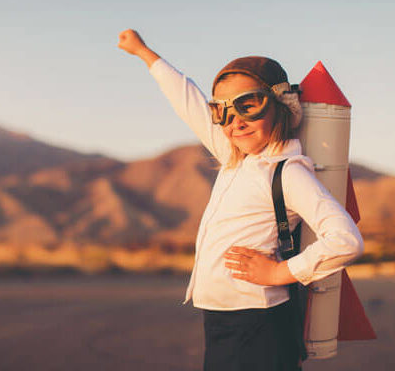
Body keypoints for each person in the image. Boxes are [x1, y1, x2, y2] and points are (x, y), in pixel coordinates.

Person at [117, 29, 364, 371]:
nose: (235, 121)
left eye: (248, 105)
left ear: (280, 104)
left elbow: (346, 240)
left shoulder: (287, 172)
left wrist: (281, 272)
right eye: (222, 111)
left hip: (258, 322)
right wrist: (145, 54)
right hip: (221, 319)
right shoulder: (236, 158)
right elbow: (188, 103)